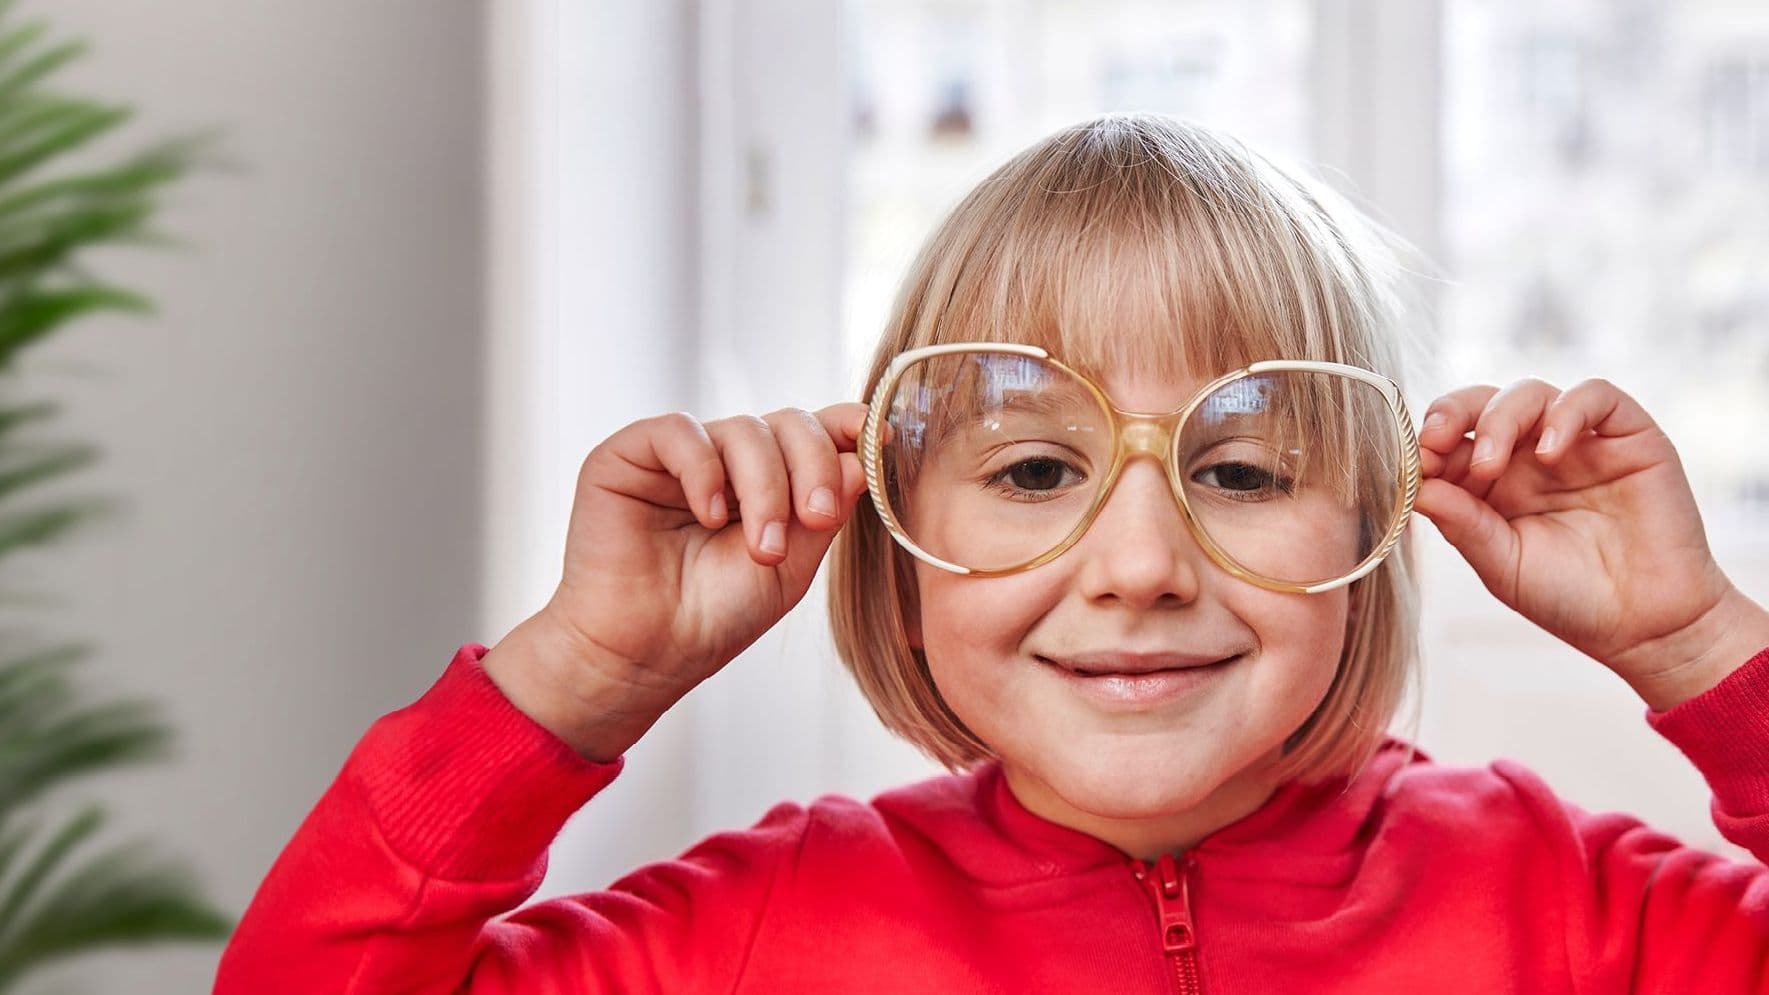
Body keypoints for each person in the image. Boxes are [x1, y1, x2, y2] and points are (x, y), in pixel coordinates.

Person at [214, 113, 1769, 993]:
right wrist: (579, 679)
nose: (1140, 564)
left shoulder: (1576, 913)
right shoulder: (760, 930)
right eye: (1033, 470)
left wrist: (1696, 648)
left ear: (1373, 530)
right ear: (895, 549)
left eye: (1237, 469)